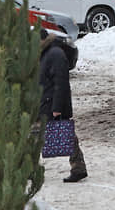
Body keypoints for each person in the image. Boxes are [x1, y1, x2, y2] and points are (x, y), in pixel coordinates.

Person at [39, 30, 88, 183]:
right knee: (62, 135)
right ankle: (78, 168)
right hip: (45, 101)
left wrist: (57, 107)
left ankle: (78, 168)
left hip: (52, 103)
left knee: (63, 134)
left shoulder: (55, 54)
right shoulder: (45, 53)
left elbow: (61, 83)